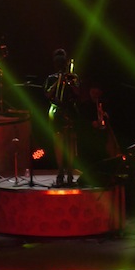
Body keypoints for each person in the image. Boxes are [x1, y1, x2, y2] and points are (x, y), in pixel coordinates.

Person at [45, 48, 80, 187]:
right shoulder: (51, 78)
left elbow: (78, 93)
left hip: (70, 109)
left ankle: (70, 171)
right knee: (58, 141)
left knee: (71, 141)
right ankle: (60, 170)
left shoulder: (73, 77)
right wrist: (58, 81)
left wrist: (69, 81)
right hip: (57, 110)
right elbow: (47, 94)